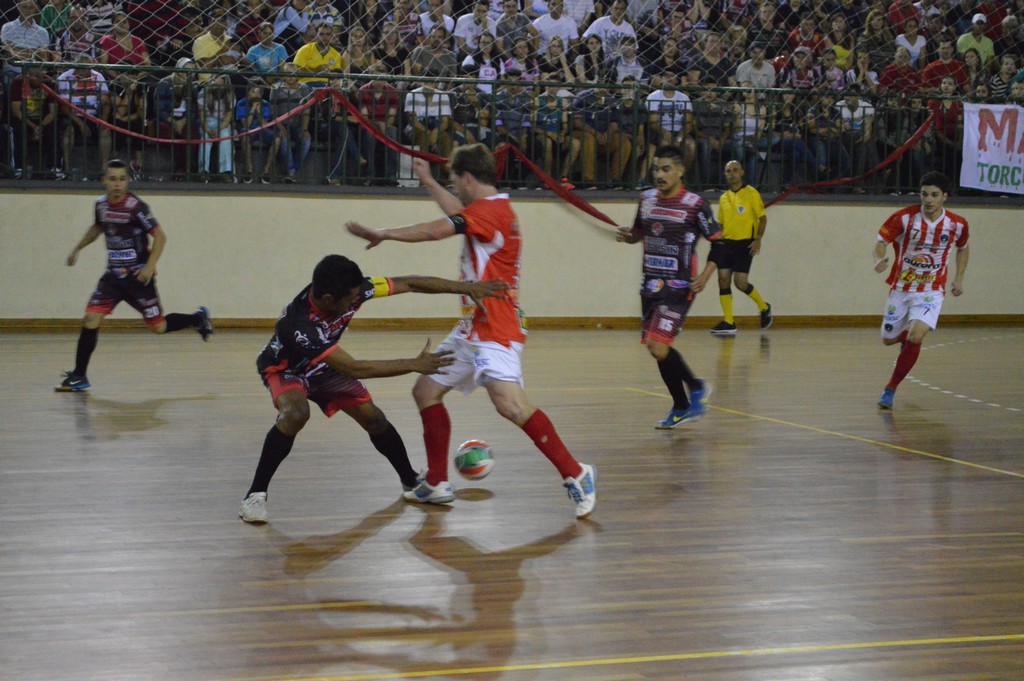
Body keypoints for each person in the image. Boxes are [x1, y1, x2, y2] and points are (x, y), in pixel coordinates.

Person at [345, 145, 597, 519]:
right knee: (426, 390)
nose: (454, 188)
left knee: (510, 405)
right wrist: (429, 182)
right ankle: (436, 482)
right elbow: (458, 214)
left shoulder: (491, 212)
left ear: (466, 178)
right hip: (472, 327)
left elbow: (436, 231)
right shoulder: (489, 209)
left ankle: (577, 474)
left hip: (495, 326)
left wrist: (385, 233)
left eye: (453, 181)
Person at [239, 254, 508, 523]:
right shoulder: (299, 327)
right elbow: (355, 369)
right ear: (329, 300)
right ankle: (255, 495)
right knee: (296, 413)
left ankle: (411, 481)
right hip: (286, 369)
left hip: (323, 366)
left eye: (359, 294)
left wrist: (465, 287)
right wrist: (414, 364)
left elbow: (411, 283)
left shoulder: (356, 290)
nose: (357, 301)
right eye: (350, 299)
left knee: (374, 419)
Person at [56, 160, 213, 393]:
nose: (117, 184)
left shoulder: (136, 207)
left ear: (127, 181)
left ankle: (197, 319)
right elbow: (98, 227)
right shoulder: (100, 206)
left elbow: (160, 237)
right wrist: (77, 248)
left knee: (158, 327)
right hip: (112, 278)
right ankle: (79, 376)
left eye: (122, 179)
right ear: (104, 181)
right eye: (112, 179)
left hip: (138, 279)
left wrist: (149, 266)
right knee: (90, 318)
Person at [615, 144, 722, 429]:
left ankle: (697, 387)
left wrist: (707, 274)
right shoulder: (647, 199)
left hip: (679, 286)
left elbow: (721, 244)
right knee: (655, 348)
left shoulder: (695, 204)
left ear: (680, 171)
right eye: (655, 169)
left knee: (659, 347)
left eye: (665, 169)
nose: (659, 175)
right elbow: (638, 233)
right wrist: (628, 237)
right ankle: (681, 404)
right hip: (650, 284)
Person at [872, 171, 968, 409]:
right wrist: (878, 259)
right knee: (887, 339)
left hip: (931, 290)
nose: (928, 200)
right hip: (902, 288)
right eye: (924, 194)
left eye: (934, 195)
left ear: (945, 197)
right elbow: (880, 243)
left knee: (917, 335)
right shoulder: (904, 218)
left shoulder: (957, 224)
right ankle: (904, 338)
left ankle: (890, 388)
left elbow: (963, 248)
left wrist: (958, 278)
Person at [699, 160, 772, 335]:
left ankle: (764, 307)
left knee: (740, 283)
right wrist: (716, 239)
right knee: (723, 279)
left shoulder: (751, 193)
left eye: (735, 170)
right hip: (726, 244)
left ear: (742, 173)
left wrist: (758, 239)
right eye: (728, 171)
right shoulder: (724, 198)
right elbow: (722, 224)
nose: (731, 173)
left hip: (744, 243)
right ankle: (729, 321)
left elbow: (762, 218)